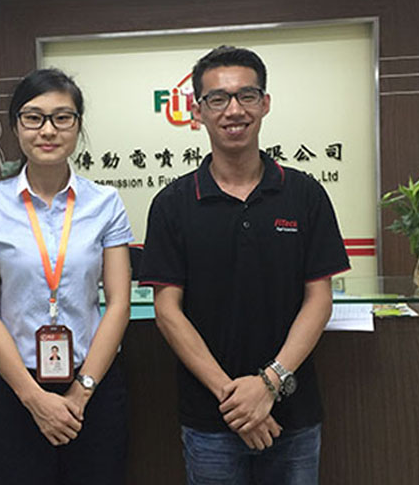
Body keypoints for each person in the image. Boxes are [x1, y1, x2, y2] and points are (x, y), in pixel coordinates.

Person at [140, 46, 350, 484]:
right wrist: (237, 399)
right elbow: (167, 312)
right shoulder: (173, 204)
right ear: (197, 110)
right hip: (211, 417)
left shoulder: (305, 194)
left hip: (293, 413)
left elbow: (319, 300)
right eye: (218, 98)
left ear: (265, 103)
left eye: (246, 96)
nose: (233, 110)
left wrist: (268, 384)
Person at [0, 68, 133, 485]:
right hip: (17, 389)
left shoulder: (105, 203)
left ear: (78, 125)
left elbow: (118, 302)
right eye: (34, 117)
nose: (48, 130)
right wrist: (33, 398)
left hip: (93, 387)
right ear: (16, 127)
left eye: (62, 117)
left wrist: (82, 391)